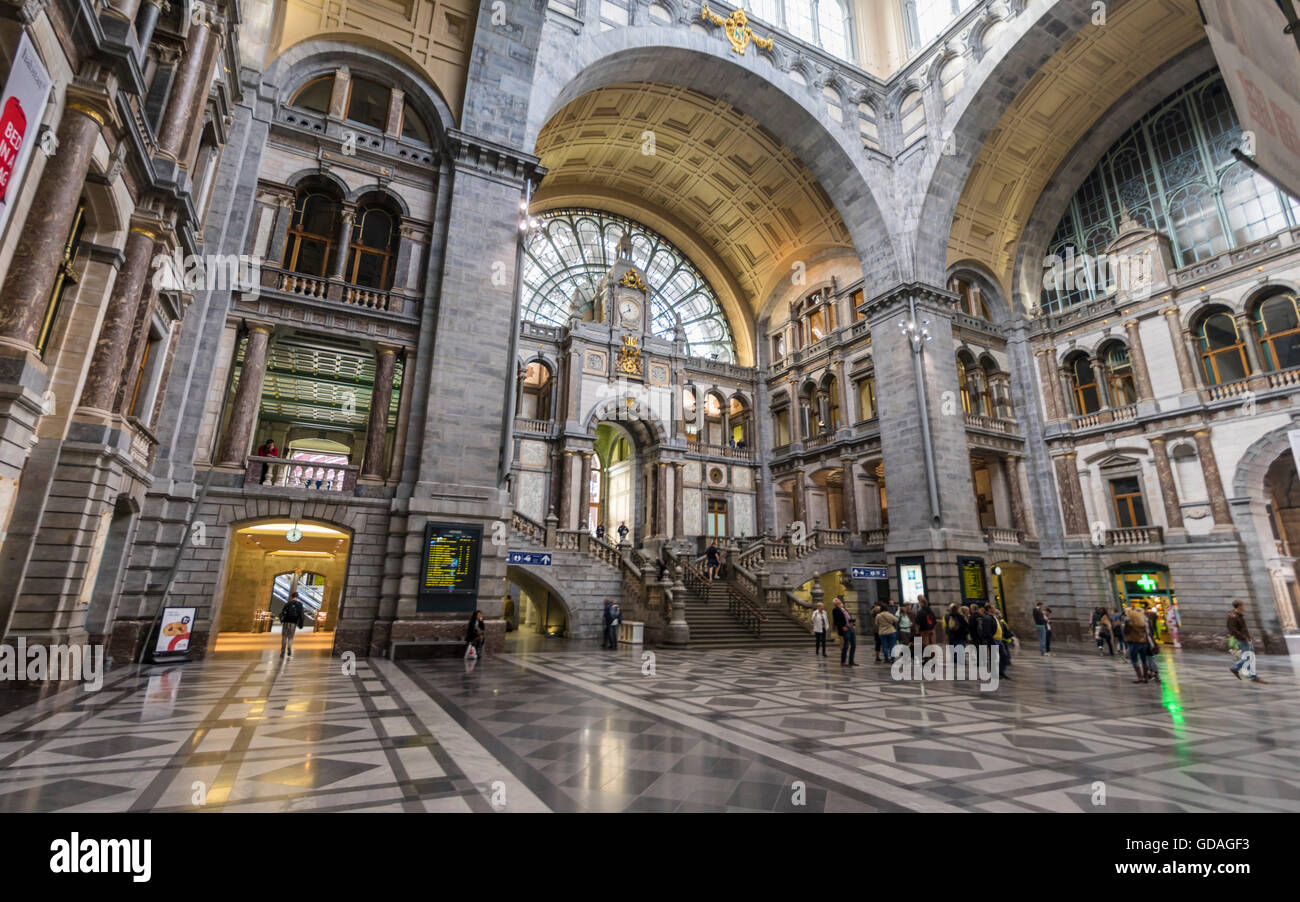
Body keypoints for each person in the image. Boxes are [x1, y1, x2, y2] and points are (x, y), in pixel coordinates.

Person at [1227, 600, 1266, 683]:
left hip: (1245, 639)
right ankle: (1235, 668)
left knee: (1249, 657)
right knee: (1248, 657)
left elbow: (1243, 629)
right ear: (1239, 606)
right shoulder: (1232, 616)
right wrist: (1244, 638)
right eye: (1243, 605)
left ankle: (1253, 676)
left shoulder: (1239, 615)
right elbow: (1233, 630)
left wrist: (1248, 637)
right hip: (1241, 640)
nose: (1244, 606)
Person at [1123, 604, 1152, 683]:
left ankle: (1140, 677)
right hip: (1143, 642)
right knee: (1144, 660)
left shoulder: (1129, 622)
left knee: (1134, 660)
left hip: (1134, 642)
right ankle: (1145, 677)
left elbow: (1125, 632)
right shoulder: (1142, 621)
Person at [279, 591, 305, 657]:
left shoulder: (288, 603)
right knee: (291, 637)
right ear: (297, 597)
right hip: (293, 622)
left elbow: (282, 612)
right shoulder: (299, 604)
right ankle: (289, 647)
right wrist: (301, 623)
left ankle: (282, 651)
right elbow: (301, 614)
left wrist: (282, 620)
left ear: (292, 596)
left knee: (284, 636)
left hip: (286, 622)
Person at [832, 596, 856, 666]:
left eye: (838, 600)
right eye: (837, 600)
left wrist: (853, 624)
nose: (839, 600)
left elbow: (849, 617)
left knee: (853, 645)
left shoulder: (844, 609)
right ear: (835, 603)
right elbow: (836, 621)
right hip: (845, 629)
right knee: (846, 645)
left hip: (851, 627)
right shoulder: (835, 610)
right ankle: (843, 661)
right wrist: (842, 627)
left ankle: (851, 661)